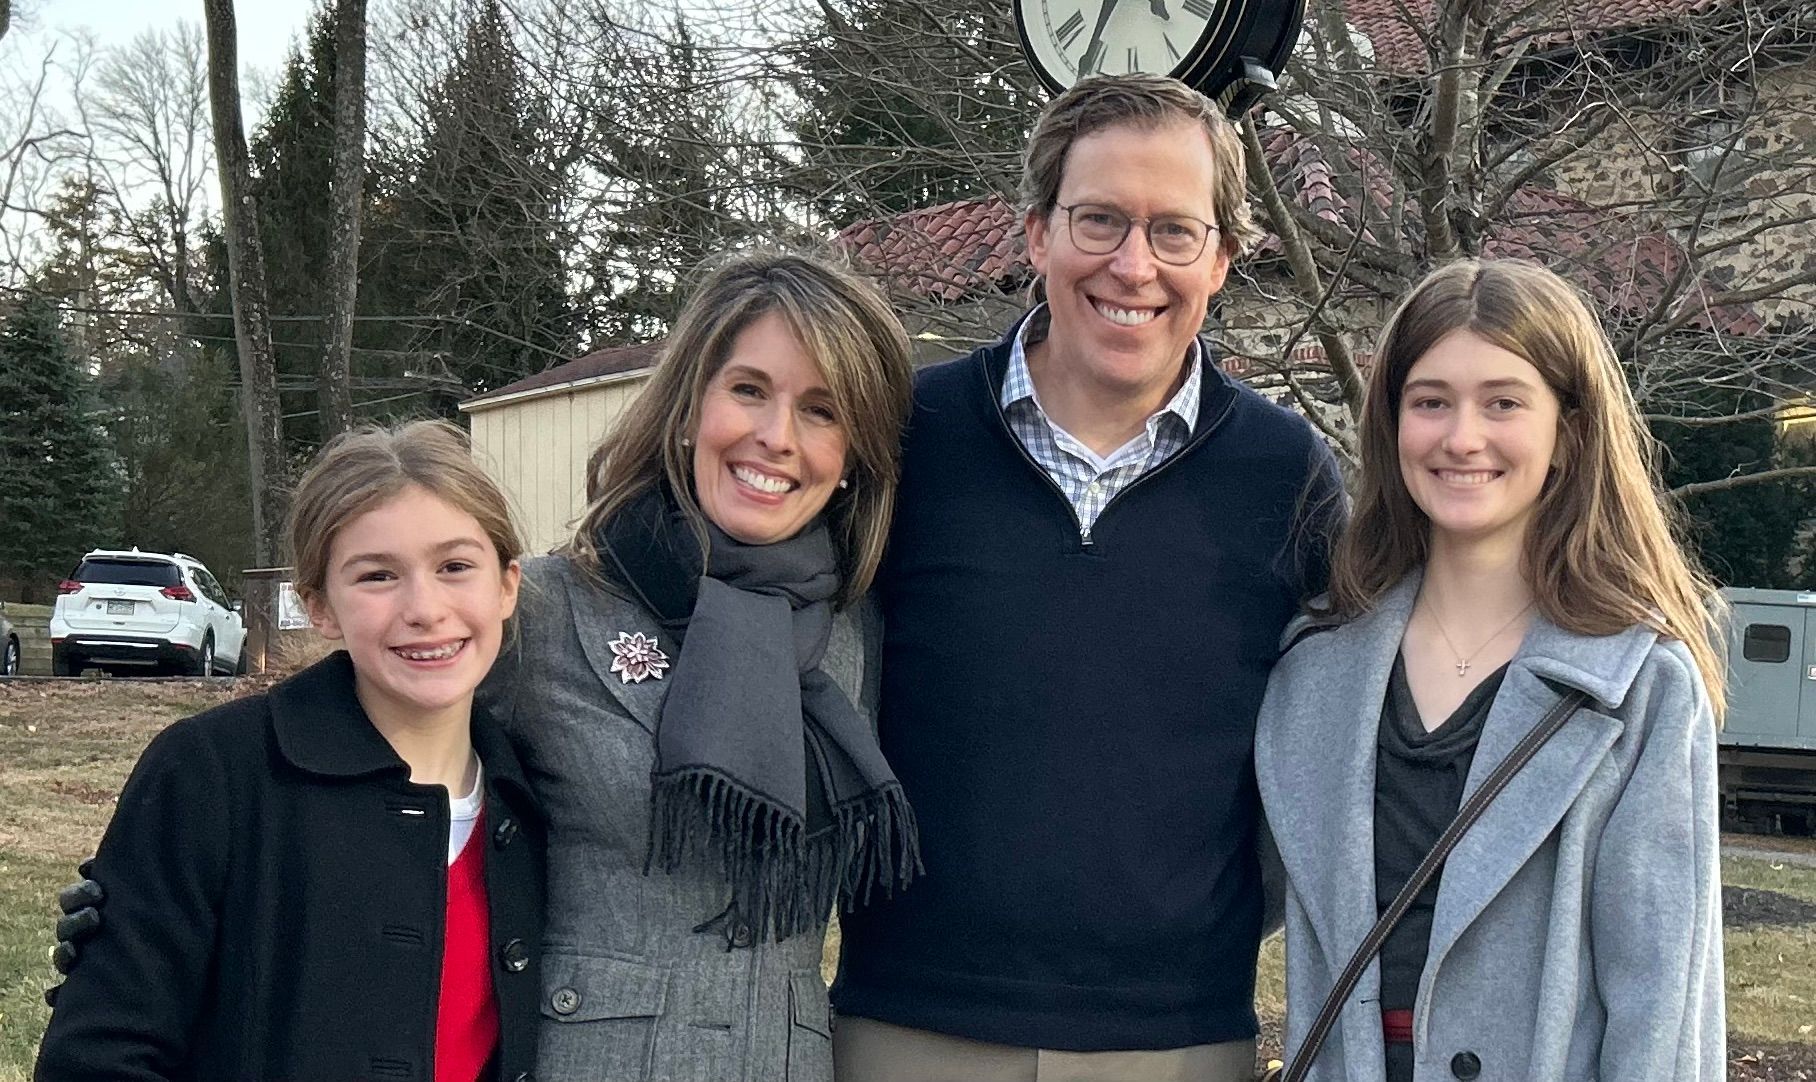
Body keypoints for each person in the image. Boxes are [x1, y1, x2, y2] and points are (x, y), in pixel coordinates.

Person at [830, 74, 1344, 1082]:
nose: (1132, 265)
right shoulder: (906, 434)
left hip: (1180, 1038)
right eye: (1099, 219)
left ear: (1222, 259)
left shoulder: (1287, 475)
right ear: (1037, 233)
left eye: (1174, 231)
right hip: (908, 1023)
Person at [1254, 259, 1726, 1082]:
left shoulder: (1642, 686)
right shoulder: (1312, 667)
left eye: (1503, 402)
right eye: (1430, 401)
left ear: (1568, 432)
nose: (1462, 437)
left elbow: (1662, 1006)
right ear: (1392, 424)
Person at [474, 249, 918, 1082]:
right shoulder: (541, 607)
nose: (776, 438)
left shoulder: (860, 634)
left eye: (821, 411)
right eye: (748, 390)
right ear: (686, 408)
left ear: (853, 456)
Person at [35, 420, 545, 1082]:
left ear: (506, 585)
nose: (425, 608)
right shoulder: (213, 773)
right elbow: (99, 1056)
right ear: (319, 606)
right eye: (377, 575)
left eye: (455, 567)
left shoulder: (535, 798)